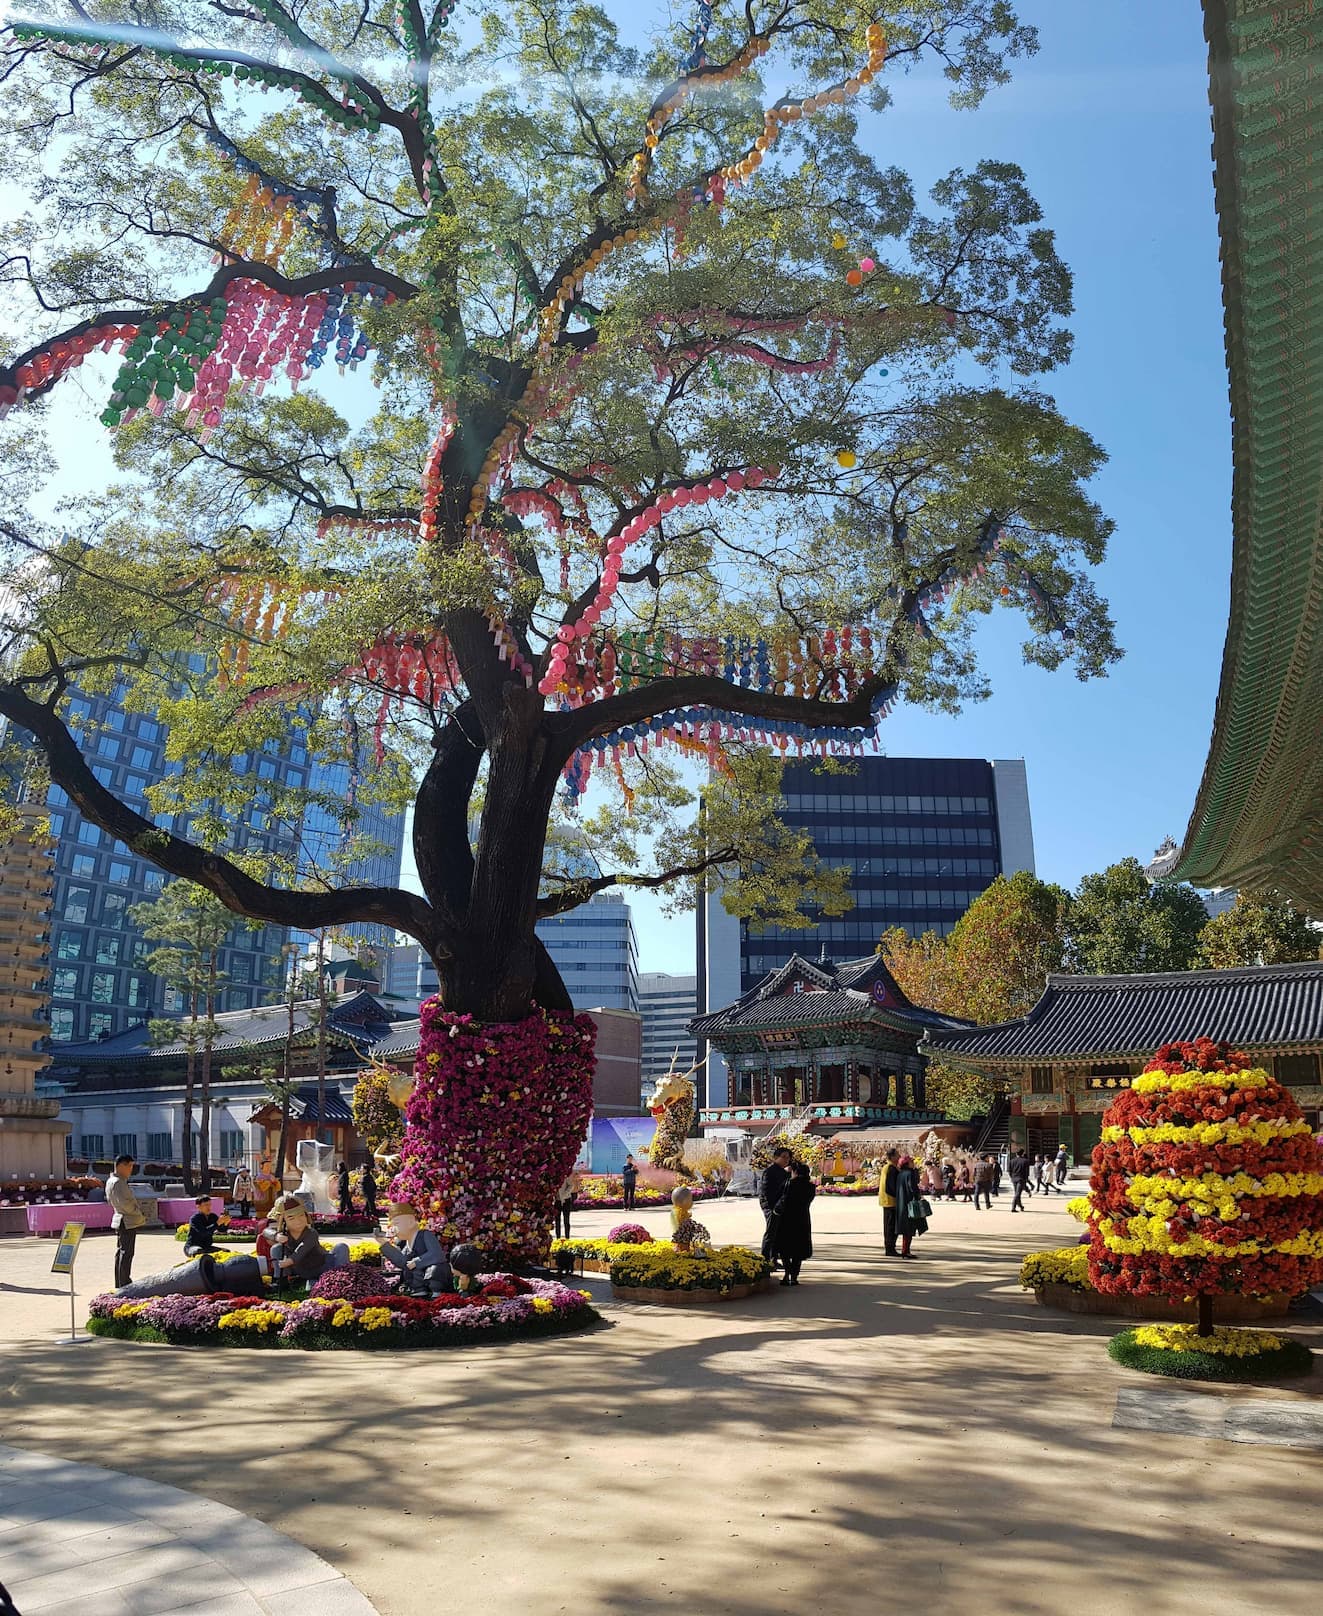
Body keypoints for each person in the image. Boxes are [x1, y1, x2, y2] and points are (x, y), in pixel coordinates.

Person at [377, 1201, 453, 1297]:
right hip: (419, 1283)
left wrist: (417, 1262)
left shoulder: (425, 1235)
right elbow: (403, 1262)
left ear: (410, 1222)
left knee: (435, 1269)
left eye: (396, 1224)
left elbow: (437, 1254)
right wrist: (384, 1244)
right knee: (408, 1270)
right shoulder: (407, 1245)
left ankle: (436, 1292)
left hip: (435, 1276)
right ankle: (418, 1290)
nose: (393, 1229)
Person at [268, 1195, 350, 1283]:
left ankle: (340, 1278)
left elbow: (302, 1249)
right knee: (276, 1248)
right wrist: (276, 1235)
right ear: (283, 1221)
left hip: (322, 1266)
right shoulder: (284, 1234)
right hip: (301, 1270)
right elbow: (266, 1232)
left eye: (301, 1216)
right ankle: (281, 1280)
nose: (298, 1221)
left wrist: (289, 1261)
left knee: (341, 1247)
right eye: (291, 1218)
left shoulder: (311, 1233)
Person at [106, 1153, 145, 1288]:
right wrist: (137, 1211)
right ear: (121, 1165)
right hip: (126, 1219)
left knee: (122, 1252)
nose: (131, 1170)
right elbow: (125, 1204)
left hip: (121, 1218)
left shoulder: (112, 1181)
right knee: (126, 1253)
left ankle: (121, 1281)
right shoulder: (118, 1182)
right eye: (129, 1166)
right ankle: (124, 1282)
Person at [774, 1161, 816, 1286]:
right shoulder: (810, 1187)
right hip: (802, 1218)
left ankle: (787, 1274)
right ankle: (794, 1276)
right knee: (798, 1249)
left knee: (785, 1248)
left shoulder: (789, 1184)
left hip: (787, 1219)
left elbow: (782, 1199)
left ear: (795, 1172)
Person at [759, 1147, 792, 1267]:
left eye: (788, 1157)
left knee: (779, 1232)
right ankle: (765, 1260)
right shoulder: (770, 1171)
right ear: (776, 1158)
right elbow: (766, 1192)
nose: (786, 1160)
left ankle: (773, 1258)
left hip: (780, 1206)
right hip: (770, 1206)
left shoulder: (784, 1172)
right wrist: (771, 1207)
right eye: (783, 1157)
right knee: (771, 1232)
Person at [895, 1154, 927, 1259]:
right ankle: (906, 1251)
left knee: (906, 1229)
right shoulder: (910, 1174)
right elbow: (913, 1187)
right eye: (911, 1161)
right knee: (909, 1228)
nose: (913, 1163)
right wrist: (919, 1197)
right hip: (910, 1203)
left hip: (901, 1203)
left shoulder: (900, 1174)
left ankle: (905, 1250)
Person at [877, 1147, 900, 1256]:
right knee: (890, 1227)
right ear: (892, 1156)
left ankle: (890, 1248)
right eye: (897, 1155)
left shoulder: (887, 1167)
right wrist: (899, 1196)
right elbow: (891, 1186)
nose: (899, 1156)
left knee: (888, 1226)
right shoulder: (891, 1168)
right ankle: (890, 1248)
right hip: (890, 1201)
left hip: (886, 1200)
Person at [1008, 1148, 1033, 1212]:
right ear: (1023, 1153)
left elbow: (1009, 1171)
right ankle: (1013, 1207)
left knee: (1017, 1193)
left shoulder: (1011, 1161)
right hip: (1021, 1179)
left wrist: (1011, 1177)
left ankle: (1021, 1206)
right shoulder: (1026, 1161)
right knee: (1018, 1194)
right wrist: (1026, 1179)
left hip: (1014, 1178)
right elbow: (1027, 1172)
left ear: (1016, 1154)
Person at [554, 1172, 577, 1240]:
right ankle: (558, 1237)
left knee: (566, 1220)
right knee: (557, 1220)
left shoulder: (565, 1176)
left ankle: (567, 1237)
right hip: (557, 1201)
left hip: (566, 1200)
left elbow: (571, 1186)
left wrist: (564, 1195)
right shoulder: (552, 1177)